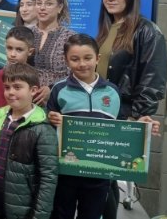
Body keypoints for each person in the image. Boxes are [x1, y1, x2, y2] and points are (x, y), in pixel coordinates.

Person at [96, 0, 167, 218]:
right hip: (103, 113)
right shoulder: (107, 28)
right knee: (100, 181)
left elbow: (152, 80)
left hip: (124, 116)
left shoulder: (147, 31)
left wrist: (136, 117)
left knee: (106, 181)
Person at [47, 34, 121, 219]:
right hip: (66, 171)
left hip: (99, 171)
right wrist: (50, 119)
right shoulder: (58, 89)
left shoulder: (112, 91)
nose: (82, 64)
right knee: (61, 214)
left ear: (98, 58)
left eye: (87, 58)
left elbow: (120, 129)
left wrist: (141, 127)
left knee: (92, 215)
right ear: (66, 61)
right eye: (75, 59)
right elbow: (48, 128)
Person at [0, 62, 58, 219]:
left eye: (17, 87)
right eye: (7, 87)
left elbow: (48, 178)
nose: (10, 92)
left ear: (33, 90)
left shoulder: (43, 127)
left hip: (23, 208)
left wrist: (39, 215)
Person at [32, 0, 76, 104]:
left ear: (60, 7)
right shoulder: (25, 34)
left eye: (48, 4)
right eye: (39, 3)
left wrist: (51, 88)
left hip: (59, 100)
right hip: (25, 100)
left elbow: (76, 72)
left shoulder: (70, 37)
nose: (42, 8)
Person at [0, 26, 35, 109]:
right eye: (9, 48)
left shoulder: (33, 75)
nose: (12, 54)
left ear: (30, 51)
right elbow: (2, 108)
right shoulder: (0, 75)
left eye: (19, 50)